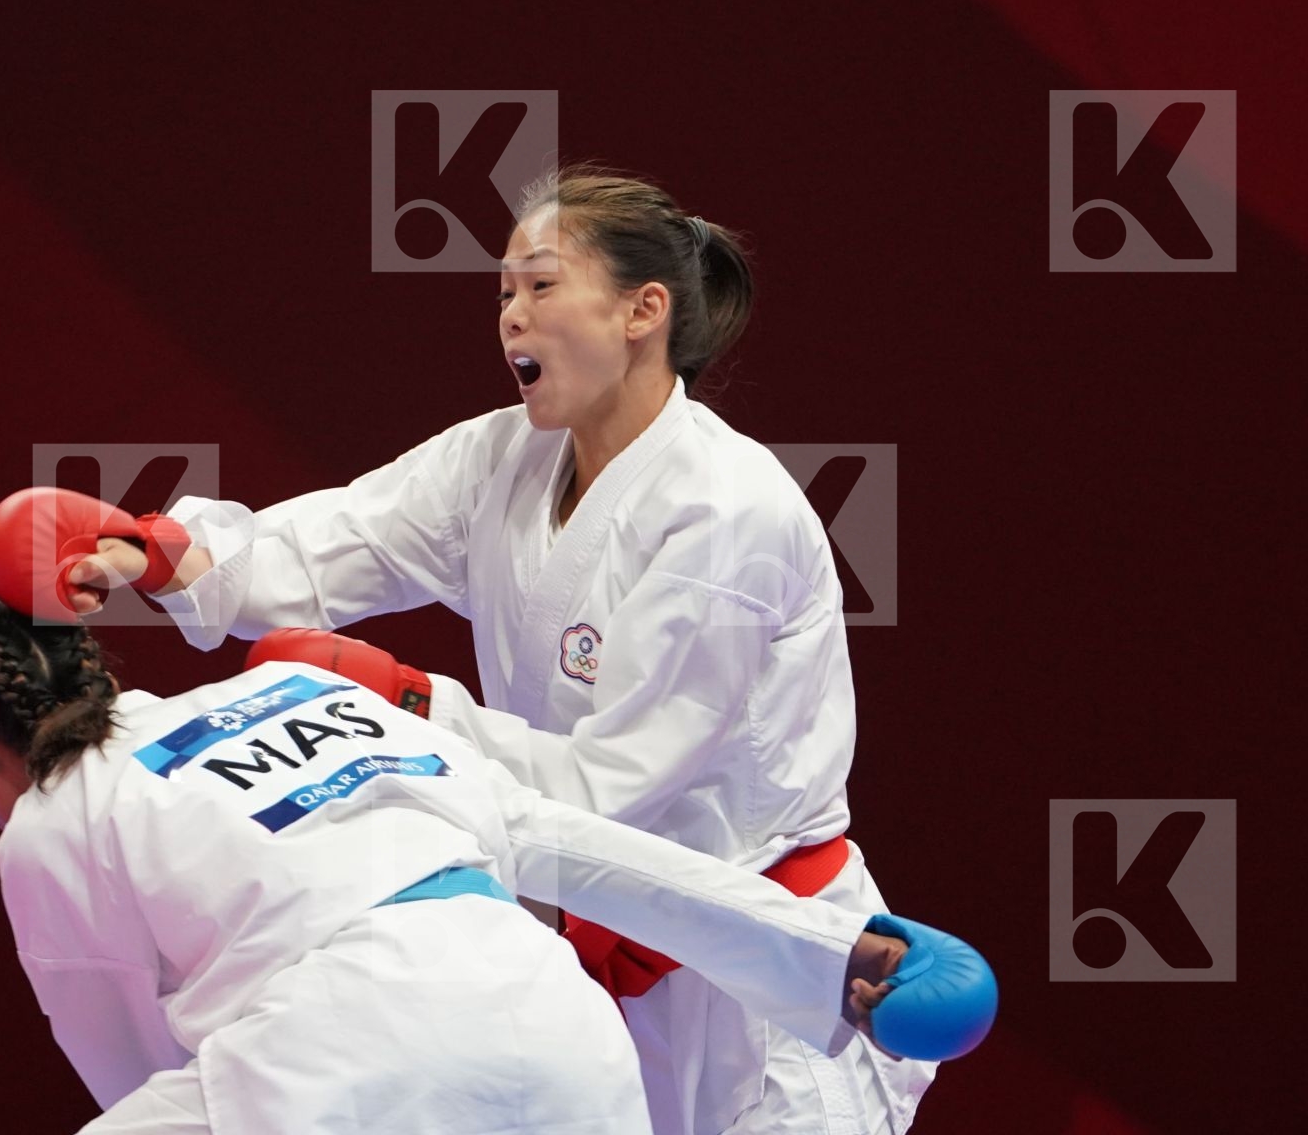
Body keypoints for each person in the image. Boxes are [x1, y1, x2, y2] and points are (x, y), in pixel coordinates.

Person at [51, 166, 940, 1134]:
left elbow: (613, 791)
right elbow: (345, 537)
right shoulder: (502, 458)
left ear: (643, 311)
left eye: (542, 285)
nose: (511, 314)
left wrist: (415, 710)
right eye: (503, 292)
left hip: (763, 987)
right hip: (598, 978)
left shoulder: (726, 512)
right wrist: (165, 555)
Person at [0, 590, 993, 1134]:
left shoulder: (51, 822)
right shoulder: (297, 691)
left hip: (338, 1072)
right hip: (564, 1041)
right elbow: (564, 841)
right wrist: (827, 951)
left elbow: (128, 1064)